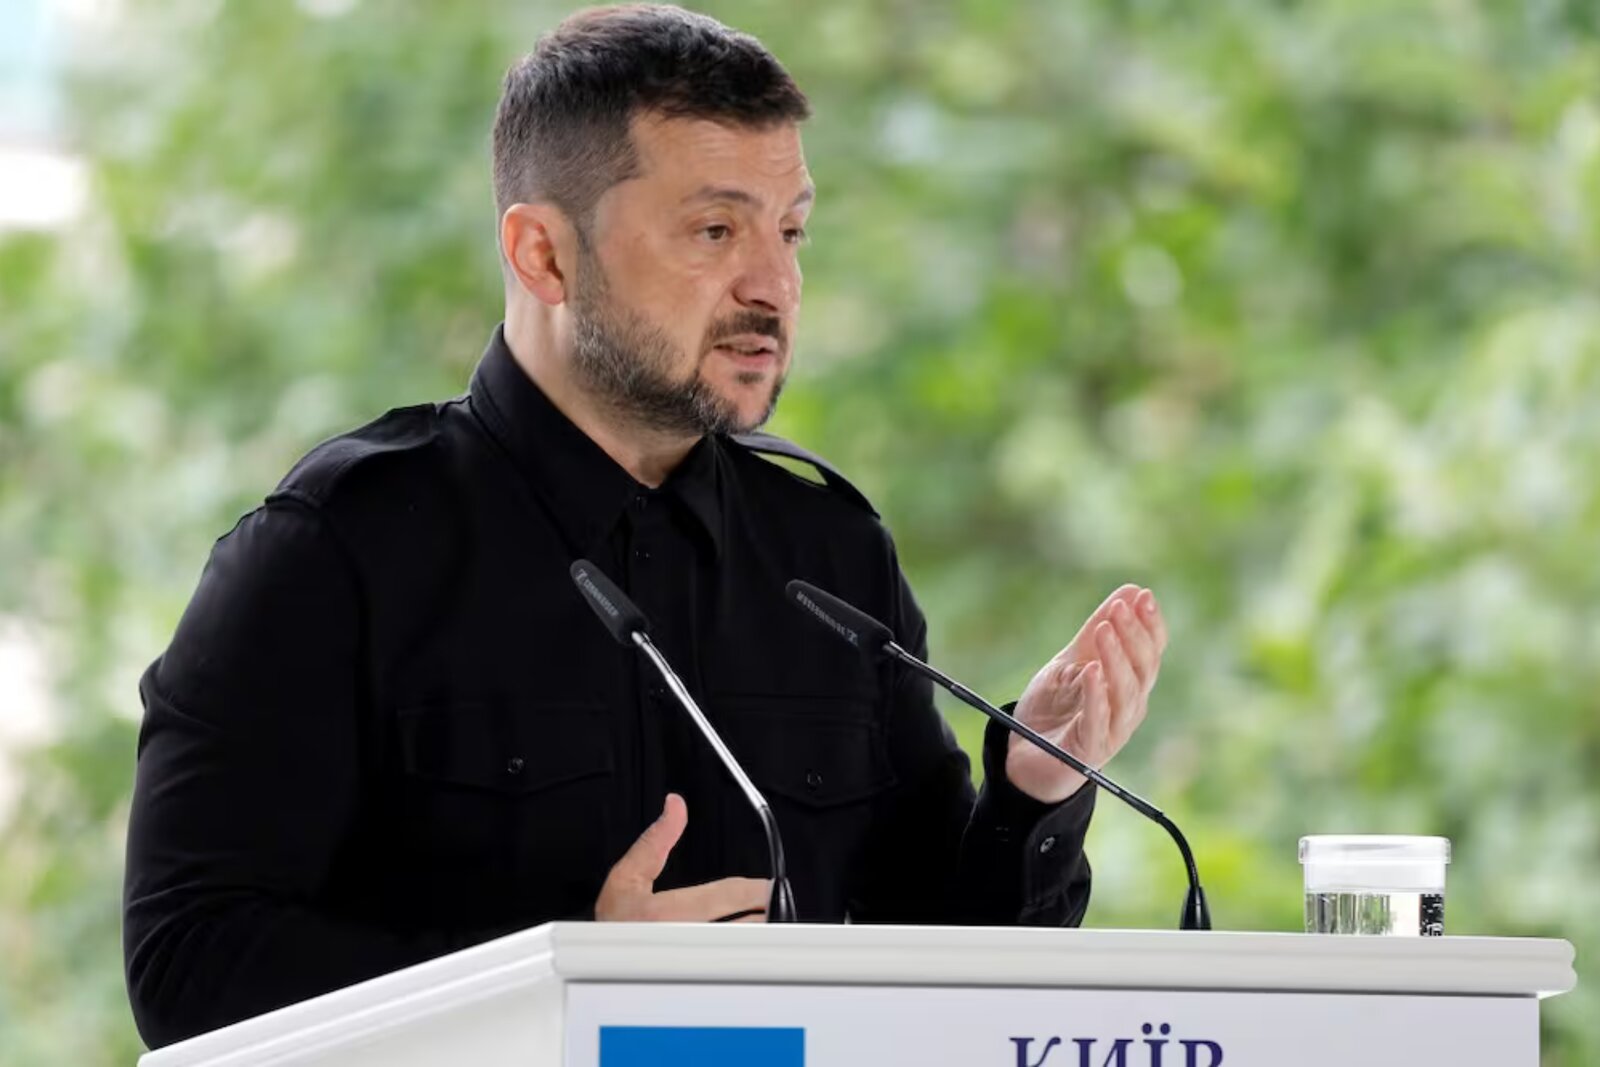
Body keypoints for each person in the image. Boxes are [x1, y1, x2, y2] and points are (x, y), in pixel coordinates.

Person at [122, 3, 1169, 1050]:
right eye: (715, 231)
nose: (774, 285)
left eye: (790, 231)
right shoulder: (334, 550)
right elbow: (187, 966)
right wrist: (561, 976)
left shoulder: (831, 556)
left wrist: (1034, 786)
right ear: (543, 254)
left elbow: (940, 970)